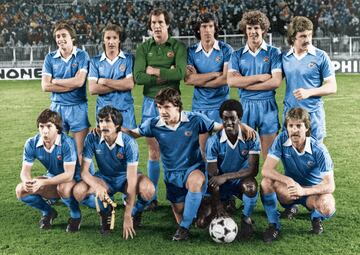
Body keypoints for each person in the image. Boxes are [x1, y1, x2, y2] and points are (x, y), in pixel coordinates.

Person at [123, 88, 223, 241]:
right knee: (180, 212)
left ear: (177, 106)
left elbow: (221, 127)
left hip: (193, 169)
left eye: (167, 107)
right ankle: (199, 206)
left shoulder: (195, 119)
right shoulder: (153, 124)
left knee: (195, 183)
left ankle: (184, 229)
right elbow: (132, 134)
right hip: (172, 175)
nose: (162, 111)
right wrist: (112, 128)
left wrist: (242, 126)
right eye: (159, 107)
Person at [72, 106, 155, 239]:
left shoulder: (130, 143)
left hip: (126, 178)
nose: (103, 124)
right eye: (100, 121)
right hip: (104, 178)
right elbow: (84, 172)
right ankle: (106, 211)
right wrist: (97, 186)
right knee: (78, 191)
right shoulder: (92, 138)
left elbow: (132, 180)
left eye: (107, 121)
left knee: (148, 190)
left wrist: (127, 215)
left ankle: (136, 211)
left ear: (117, 125)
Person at [134, 8, 187, 209]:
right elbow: (139, 77)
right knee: (153, 151)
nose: (157, 26)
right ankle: (152, 197)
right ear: (150, 25)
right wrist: (167, 72)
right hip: (150, 103)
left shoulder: (178, 46)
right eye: (154, 23)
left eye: (161, 22)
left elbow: (181, 73)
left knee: (175, 152)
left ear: (167, 25)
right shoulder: (143, 48)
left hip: (173, 105)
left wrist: (154, 71)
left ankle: (178, 195)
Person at [261, 107, 336, 243]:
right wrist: (288, 180)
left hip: (312, 192)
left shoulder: (318, 149)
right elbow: (266, 170)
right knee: (266, 182)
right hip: (290, 191)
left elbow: (330, 185)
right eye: (291, 126)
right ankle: (274, 225)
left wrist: (304, 191)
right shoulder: (282, 139)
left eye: (298, 126)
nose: (294, 130)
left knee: (327, 207)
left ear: (306, 128)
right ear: (287, 128)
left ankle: (315, 217)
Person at [197, 99, 260, 240]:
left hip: (240, 182)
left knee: (250, 186)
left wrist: (226, 177)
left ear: (240, 119)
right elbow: (214, 176)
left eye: (233, 118)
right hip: (219, 185)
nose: (229, 122)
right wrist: (218, 206)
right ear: (221, 119)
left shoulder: (251, 137)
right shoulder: (213, 141)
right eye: (225, 118)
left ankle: (246, 219)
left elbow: (253, 170)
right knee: (201, 223)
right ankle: (225, 202)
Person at [227, 10, 282, 159]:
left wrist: (244, 83)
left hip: (267, 107)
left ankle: (268, 183)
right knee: (245, 156)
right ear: (245, 30)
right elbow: (231, 81)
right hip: (245, 107)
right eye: (249, 28)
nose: (253, 32)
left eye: (256, 28)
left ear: (263, 29)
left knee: (269, 156)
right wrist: (261, 77)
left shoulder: (274, 53)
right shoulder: (236, 55)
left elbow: (276, 81)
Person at [15, 109, 82, 232]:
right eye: (41, 126)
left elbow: (68, 175)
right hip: (52, 179)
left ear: (57, 128)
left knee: (63, 187)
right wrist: (27, 181)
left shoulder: (67, 143)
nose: (44, 131)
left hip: (74, 180)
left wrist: (42, 183)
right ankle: (48, 212)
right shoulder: (31, 143)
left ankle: (75, 216)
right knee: (21, 190)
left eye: (49, 126)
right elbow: (25, 171)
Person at [41, 21, 90, 164]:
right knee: (57, 150)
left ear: (72, 37)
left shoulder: (82, 55)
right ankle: (61, 183)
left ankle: (80, 184)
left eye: (64, 35)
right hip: (56, 108)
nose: (60, 39)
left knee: (78, 151)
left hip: (78, 108)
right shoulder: (50, 57)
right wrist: (70, 84)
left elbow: (80, 82)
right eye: (57, 36)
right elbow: (45, 86)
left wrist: (56, 81)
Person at [185, 13, 233, 156]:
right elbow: (188, 80)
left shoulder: (226, 49)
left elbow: (226, 79)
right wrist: (214, 74)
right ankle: (206, 178)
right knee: (203, 150)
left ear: (215, 28)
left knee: (223, 149)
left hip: (221, 106)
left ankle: (223, 178)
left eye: (210, 26)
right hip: (200, 107)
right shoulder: (191, 51)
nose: (207, 30)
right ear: (198, 29)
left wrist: (198, 79)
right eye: (204, 26)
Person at [282, 16, 337, 143]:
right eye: (302, 36)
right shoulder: (284, 57)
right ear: (292, 37)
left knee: (316, 156)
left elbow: (332, 86)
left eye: (309, 35)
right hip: (290, 116)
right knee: (291, 157)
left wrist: (309, 92)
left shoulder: (321, 56)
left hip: (313, 115)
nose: (307, 40)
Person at [88, 23, 136, 129]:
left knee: (127, 143)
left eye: (114, 38)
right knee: (105, 144)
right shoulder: (94, 61)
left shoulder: (128, 59)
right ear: (103, 40)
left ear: (119, 40)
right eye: (108, 38)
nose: (111, 41)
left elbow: (129, 84)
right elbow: (92, 89)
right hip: (103, 112)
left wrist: (104, 81)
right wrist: (120, 84)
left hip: (125, 110)